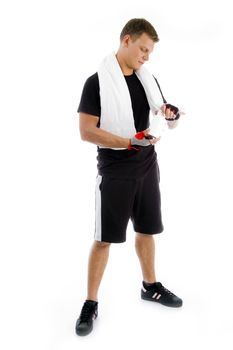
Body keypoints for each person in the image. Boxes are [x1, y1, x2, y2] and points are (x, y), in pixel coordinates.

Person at [75, 18, 183, 337]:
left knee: (148, 230)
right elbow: (86, 131)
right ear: (126, 41)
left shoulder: (147, 78)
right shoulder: (96, 83)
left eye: (150, 52)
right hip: (115, 169)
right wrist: (127, 141)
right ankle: (90, 303)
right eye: (143, 49)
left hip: (147, 164)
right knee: (104, 238)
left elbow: (159, 111)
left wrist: (169, 115)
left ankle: (150, 286)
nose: (146, 57)